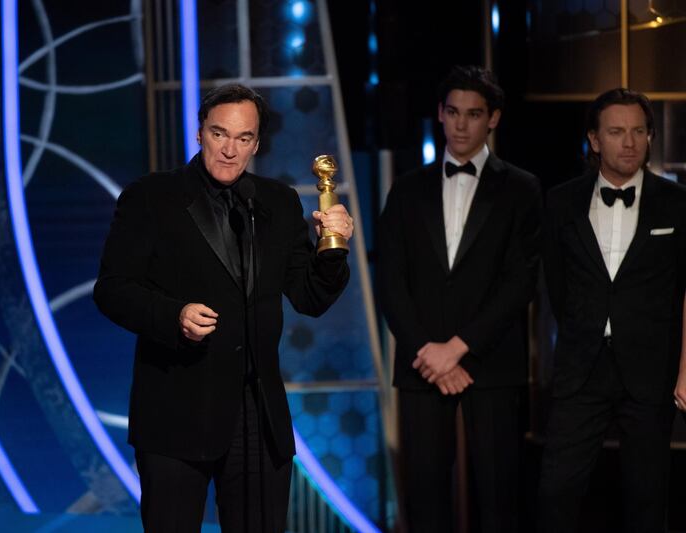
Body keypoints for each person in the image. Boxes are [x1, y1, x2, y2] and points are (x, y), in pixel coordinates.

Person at [93, 83, 354, 532]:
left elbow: (310, 298)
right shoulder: (151, 197)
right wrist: (173, 316)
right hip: (176, 412)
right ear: (199, 133)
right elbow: (113, 289)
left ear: (256, 143)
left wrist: (333, 249)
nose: (230, 150)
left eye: (244, 138)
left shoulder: (277, 202)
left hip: (257, 417)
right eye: (219, 134)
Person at [378, 65, 541, 533]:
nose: (462, 124)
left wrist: (459, 347)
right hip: (422, 363)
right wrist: (427, 351)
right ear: (440, 115)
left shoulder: (521, 189)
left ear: (493, 119)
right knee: (425, 497)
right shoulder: (407, 190)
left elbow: (520, 282)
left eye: (474, 114)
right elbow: (392, 280)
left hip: (489, 362)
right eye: (453, 112)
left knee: (499, 499)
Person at [537, 88, 686, 532]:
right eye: (617, 131)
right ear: (594, 139)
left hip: (650, 370)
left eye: (639, 131)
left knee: (647, 497)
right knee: (556, 493)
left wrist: (683, 368)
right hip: (581, 367)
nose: (629, 142)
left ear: (650, 137)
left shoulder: (678, 202)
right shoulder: (561, 201)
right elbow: (557, 284)